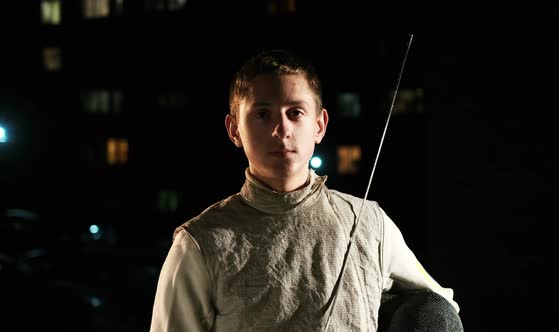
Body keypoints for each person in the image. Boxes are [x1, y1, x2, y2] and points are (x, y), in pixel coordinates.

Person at [149, 49, 460, 331]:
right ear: (234, 130)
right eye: (262, 114)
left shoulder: (369, 223)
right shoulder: (200, 243)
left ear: (319, 125)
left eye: (295, 112)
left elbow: (439, 309)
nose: (281, 130)